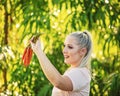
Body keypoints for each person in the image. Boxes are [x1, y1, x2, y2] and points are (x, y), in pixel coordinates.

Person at [30, 30, 93, 96]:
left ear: (82, 51)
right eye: (64, 46)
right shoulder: (71, 71)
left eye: (70, 47)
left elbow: (58, 82)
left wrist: (39, 51)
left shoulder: (82, 73)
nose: (64, 50)